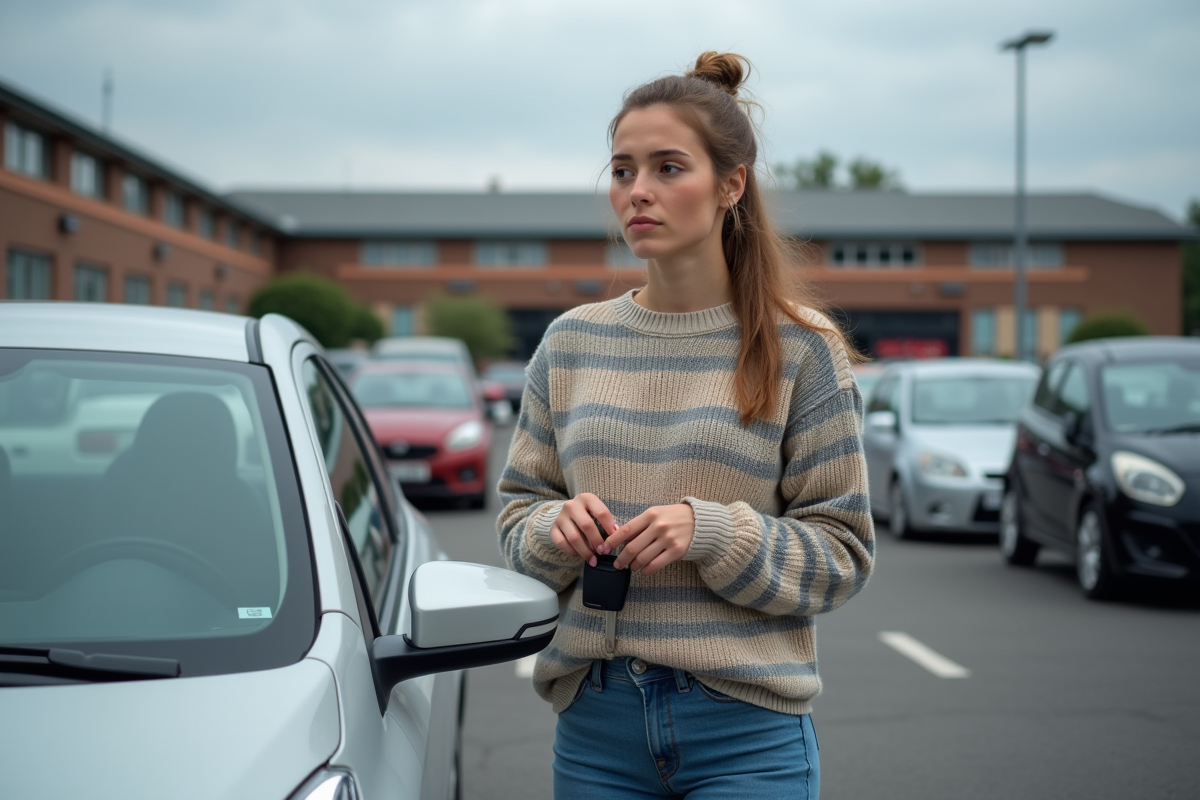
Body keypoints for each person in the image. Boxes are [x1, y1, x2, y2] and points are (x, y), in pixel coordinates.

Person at [496, 51, 875, 799]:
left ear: (731, 184)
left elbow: (842, 554)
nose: (638, 192)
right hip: (596, 725)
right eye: (622, 170)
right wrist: (554, 530)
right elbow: (517, 520)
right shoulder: (570, 342)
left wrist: (711, 532)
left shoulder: (803, 349)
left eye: (669, 168)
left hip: (747, 731)